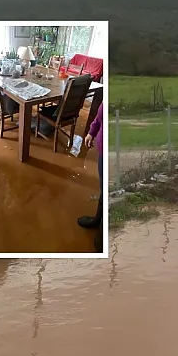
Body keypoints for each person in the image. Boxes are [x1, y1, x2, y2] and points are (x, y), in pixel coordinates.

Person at [77, 103, 104, 252]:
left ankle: (102, 235)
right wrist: (92, 132)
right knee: (103, 190)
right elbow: (100, 116)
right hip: (102, 152)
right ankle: (97, 219)